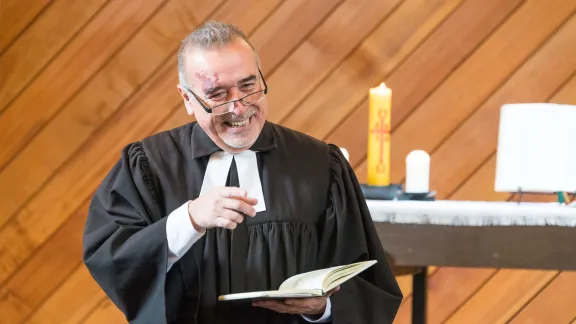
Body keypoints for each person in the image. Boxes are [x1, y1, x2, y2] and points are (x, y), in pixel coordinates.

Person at [82, 20, 402, 324]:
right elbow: (113, 259)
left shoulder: (320, 164)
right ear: (187, 99)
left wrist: (324, 307)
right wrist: (189, 219)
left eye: (249, 86)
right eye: (218, 94)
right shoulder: (150, 166)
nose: (239, 107)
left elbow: (368, 283)